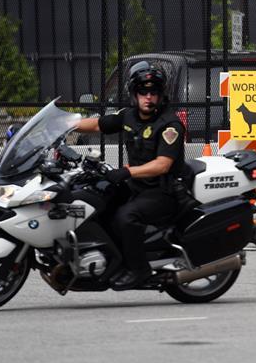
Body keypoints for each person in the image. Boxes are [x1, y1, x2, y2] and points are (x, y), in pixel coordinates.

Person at [75, 61, 192, 290]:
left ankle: (140, 271)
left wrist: (127, 171)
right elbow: (97, 124)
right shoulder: (129, 116)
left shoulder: (170, 125)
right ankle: (111, 259)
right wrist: (62, 126)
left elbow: (162, 165)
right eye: (143, 92)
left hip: (163, 191)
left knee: (126, 217)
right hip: (138, 186)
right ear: (134, 94)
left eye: (153, 92)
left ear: (160, 95)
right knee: (98, 198)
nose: (148, 97)